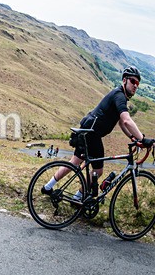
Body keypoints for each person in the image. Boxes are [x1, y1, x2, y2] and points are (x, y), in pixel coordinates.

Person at [41, 66, 154, 197]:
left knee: (74, 163)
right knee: (98, 170)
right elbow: (127, 120)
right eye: (133, 81)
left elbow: (122, 123)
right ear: (124, 80)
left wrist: (132, 137)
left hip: (87, 130)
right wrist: (142, 139)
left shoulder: (119, 95)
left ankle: (48, 187)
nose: (135, 85)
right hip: (92, 134)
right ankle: (78, 197)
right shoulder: (119, 96)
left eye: (138, 83)